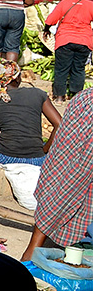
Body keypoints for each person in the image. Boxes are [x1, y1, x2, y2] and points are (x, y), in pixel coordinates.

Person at [21, 88, 93, 261]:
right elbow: (77, 166)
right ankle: (31, 255)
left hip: (65, 169)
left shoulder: (84, 97)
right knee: (66, 186)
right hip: (71, 170)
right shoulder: (87, 101)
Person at [0, 59, 60, 166]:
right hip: (38, 159)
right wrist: (45, 149)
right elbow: (60, 124)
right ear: (17, 79)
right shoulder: (38, 94)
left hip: (6, 157)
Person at [43, 0, 93, 102]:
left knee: (61, 69)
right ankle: (75, 97)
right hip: (84, 41)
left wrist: (46, 30)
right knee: (79, 69)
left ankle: (59, 97)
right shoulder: (90, 5)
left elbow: (50, 20)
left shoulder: (64, 3)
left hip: (64, 40)